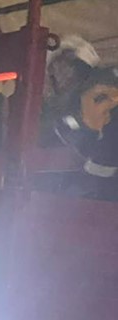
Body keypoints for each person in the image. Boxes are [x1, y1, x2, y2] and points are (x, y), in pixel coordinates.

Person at [47, 36, 118, 200]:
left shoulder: (110, 80)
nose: (61, 73)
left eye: (65, 64)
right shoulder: (64, 112)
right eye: (55, 68)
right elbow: (83, 144)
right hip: (104, 177)